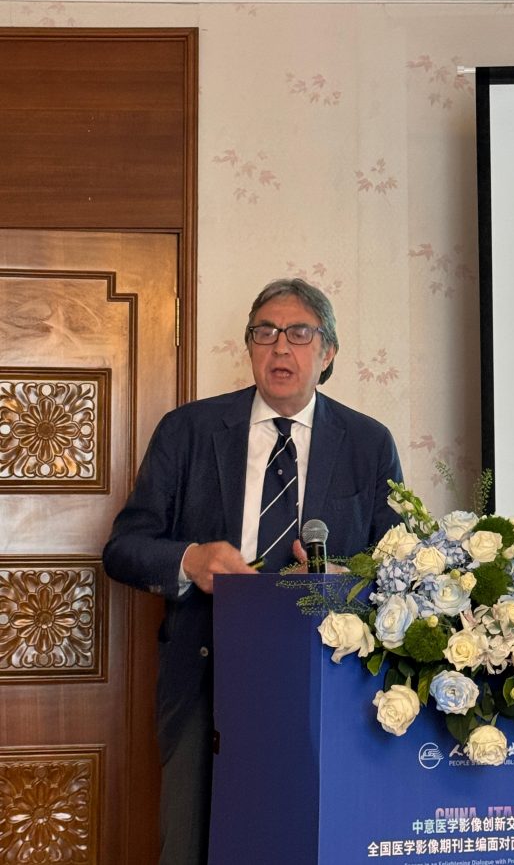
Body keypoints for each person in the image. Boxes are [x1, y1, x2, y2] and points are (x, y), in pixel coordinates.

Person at [102, 278, 403, 865]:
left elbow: (399, 567)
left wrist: (346, 579)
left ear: (328, 352)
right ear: (249, 347)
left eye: (298, 333)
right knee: (192, 841)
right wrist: (190, 559)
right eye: (264, 333)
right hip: (205, 670)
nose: (280, 347)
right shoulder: (188, 431)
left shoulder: (368, 443)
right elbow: (124, 547)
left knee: (313, 838)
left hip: (327, 677)